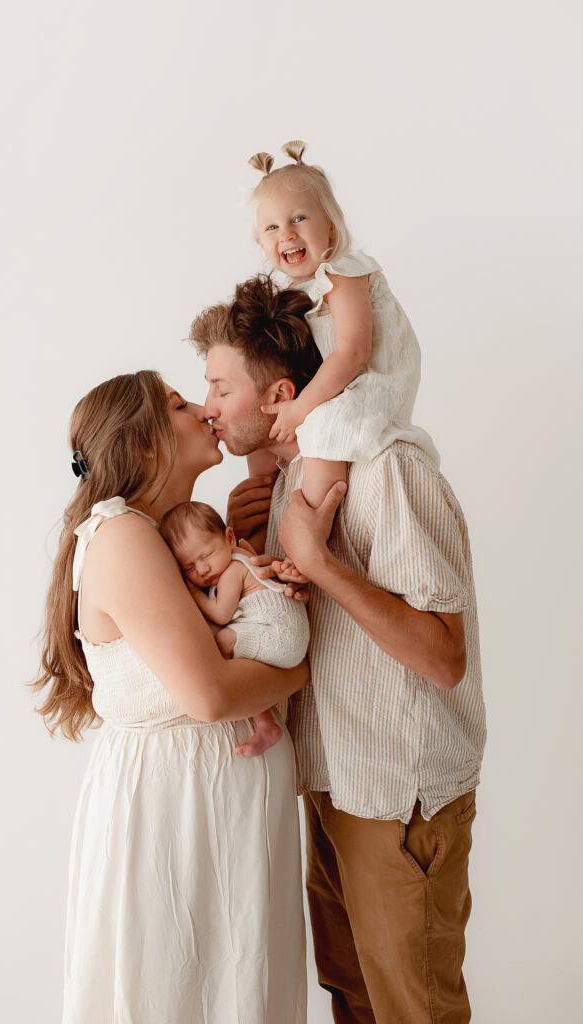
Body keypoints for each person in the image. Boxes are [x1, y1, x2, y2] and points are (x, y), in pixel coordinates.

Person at [190, 278, 486, 1024]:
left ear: (278, 393)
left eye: (218, 387)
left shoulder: (390, 472)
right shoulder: (289, 479)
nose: (206, 408)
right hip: (329, 783)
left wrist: (321, 564)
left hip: (397, 798)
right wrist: (247, 541)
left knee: (415, 1011)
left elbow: (443, 659)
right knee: (352, 1002)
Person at [32, 370, 309, 1023]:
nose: (202, 410)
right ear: (147, 447)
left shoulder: (165, 541)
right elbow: (209, 696)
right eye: (181, 405)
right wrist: (297, 672)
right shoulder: (124, 535)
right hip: (175, 815)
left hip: (213, 809)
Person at [246, 139, 438, 509]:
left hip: (372, 381)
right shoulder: (298, 293)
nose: (286, 233)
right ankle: (268, 516)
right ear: (260, 242)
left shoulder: (343, 272)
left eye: (299, 218)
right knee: (265, 437)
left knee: (321, 426)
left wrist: (301, 408)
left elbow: (353, 352)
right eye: (271, 227)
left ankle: (314, 526)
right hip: (345, 383)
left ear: (331, 227)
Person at [159, 499, 310, 757]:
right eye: (189, 567)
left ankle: (264, 723)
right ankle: (266, 724)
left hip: (281, 634)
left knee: (221, 642)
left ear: (230, 537)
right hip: (289, 637)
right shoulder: (243, 553)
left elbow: (220, 613)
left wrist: (193, 592)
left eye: (206, 555)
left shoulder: (232, 570)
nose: (203, 569)